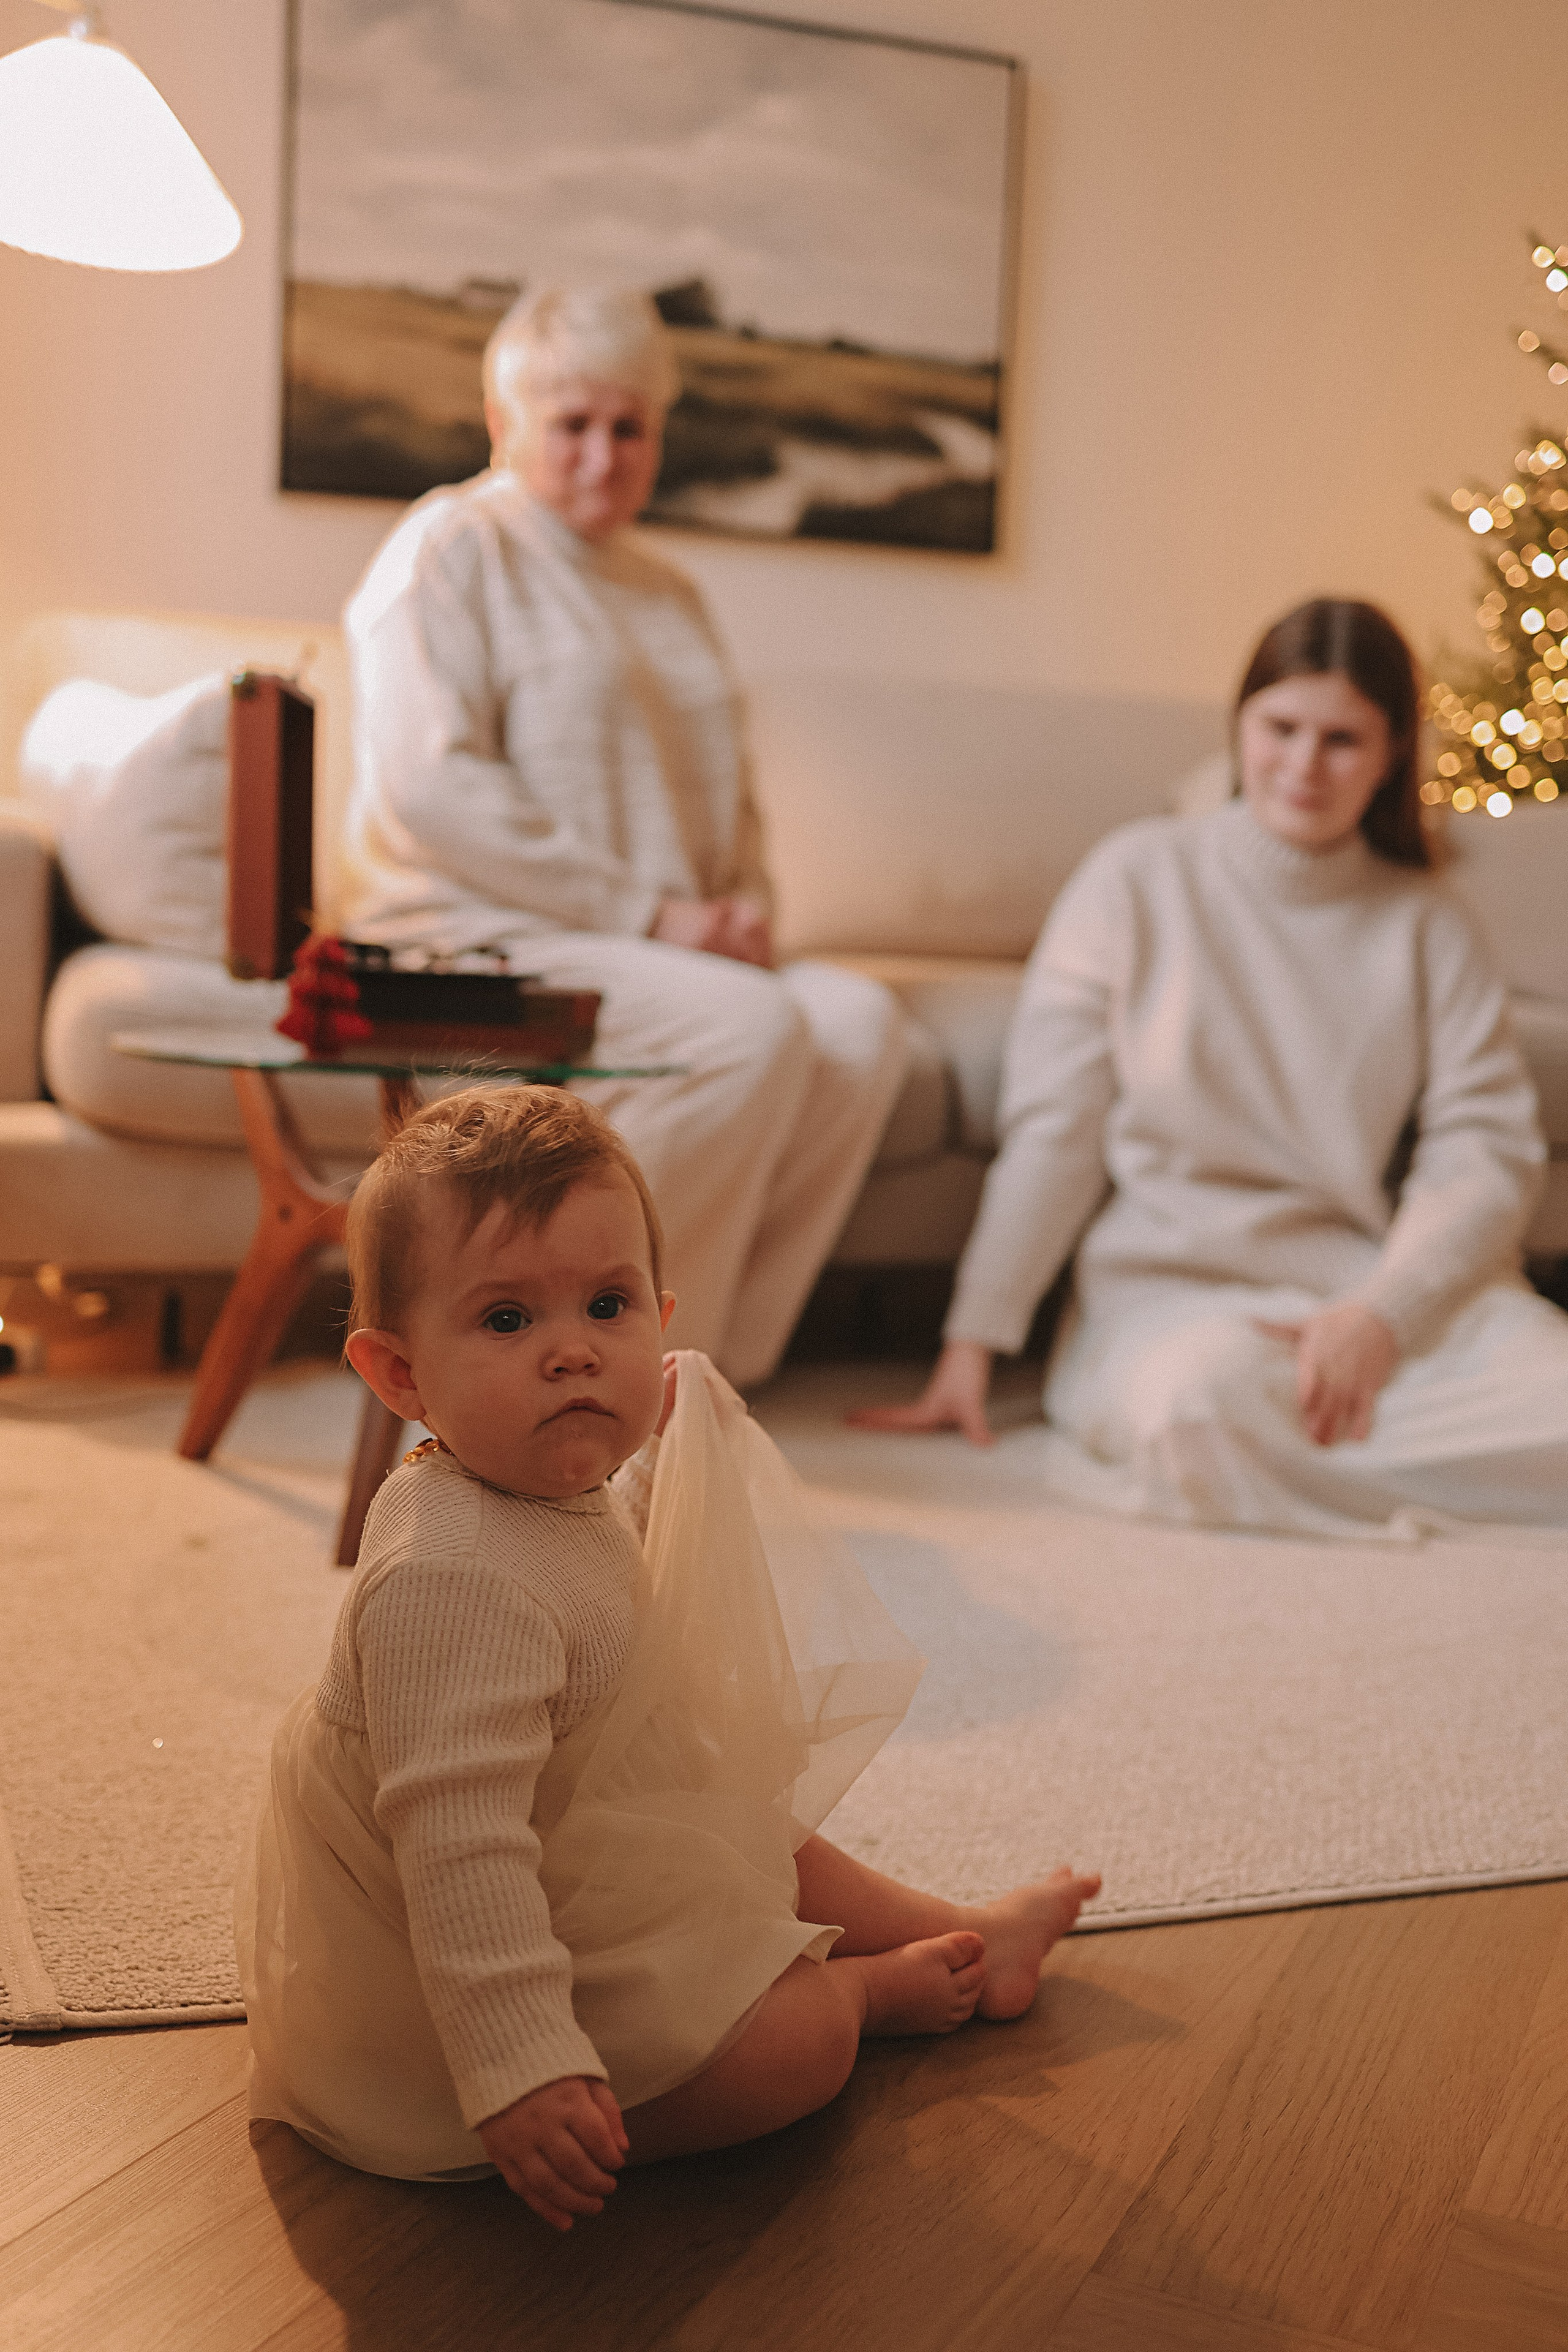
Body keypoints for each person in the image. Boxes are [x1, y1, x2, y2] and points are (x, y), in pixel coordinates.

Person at [236, 1087, 1099, 2217]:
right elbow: (461, 1855)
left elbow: (596, 1580)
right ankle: (864, 2000)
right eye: (507, 1321)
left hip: (572, 1836)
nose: (573, 1356)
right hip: (444, 1978)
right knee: (794, 2053)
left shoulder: (549, 1479)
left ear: (664, 1312)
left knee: (750, 1824)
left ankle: (971, 1929)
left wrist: (665, 1455)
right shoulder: (445, 1581)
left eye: (609, 1307)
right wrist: (520, 2061)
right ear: (400, 1377)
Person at [853, 598, 1568, 1540]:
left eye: (1342, 740)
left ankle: (1333, 1449)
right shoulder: (1135, 878)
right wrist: (970, 1347)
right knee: (1197, 1415)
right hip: (1179, 1304)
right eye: (1282, 729)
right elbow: (1057, 1129)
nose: (1304, 766)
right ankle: (1344, 1457)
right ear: (1239, 725)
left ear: (1394, 752)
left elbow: (1484, 1154)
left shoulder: (1430, 923)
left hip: (1358, 1295)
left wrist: (1379, 1318)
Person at [337, 284, 908, 1389]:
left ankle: (706, 1376)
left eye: (630, 426)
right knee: (750, 1031)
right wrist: (655, 916)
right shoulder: (449, 548)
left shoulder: (673, 590)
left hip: (654, 942)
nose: (605, 453)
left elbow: (729, 798)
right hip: (472, 924)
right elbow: (432, 790)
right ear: (507, 424)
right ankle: (600, 1375)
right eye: (574, 424)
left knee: (860, 1025)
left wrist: (742, 908)